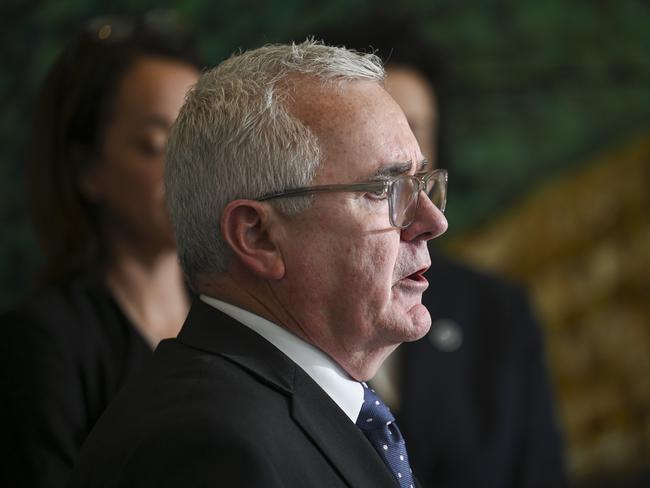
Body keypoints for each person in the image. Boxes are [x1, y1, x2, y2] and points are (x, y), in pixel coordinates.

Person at [68, 40, 448, 487]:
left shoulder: (291, 408)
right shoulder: (206, 448)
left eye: (420, 182)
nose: (432, 221)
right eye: (385, 189)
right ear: (259, 236)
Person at [0, 15, 200, 488]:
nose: (189, 168)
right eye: (155, 144)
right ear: (87, 167)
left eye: (199, 142)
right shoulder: (44, 345)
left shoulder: (241, 315)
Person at [374, 62, 568, 487]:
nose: (406, 158)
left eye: (417, 131)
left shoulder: (498, 312)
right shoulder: (286, 314)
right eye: (383, 130)